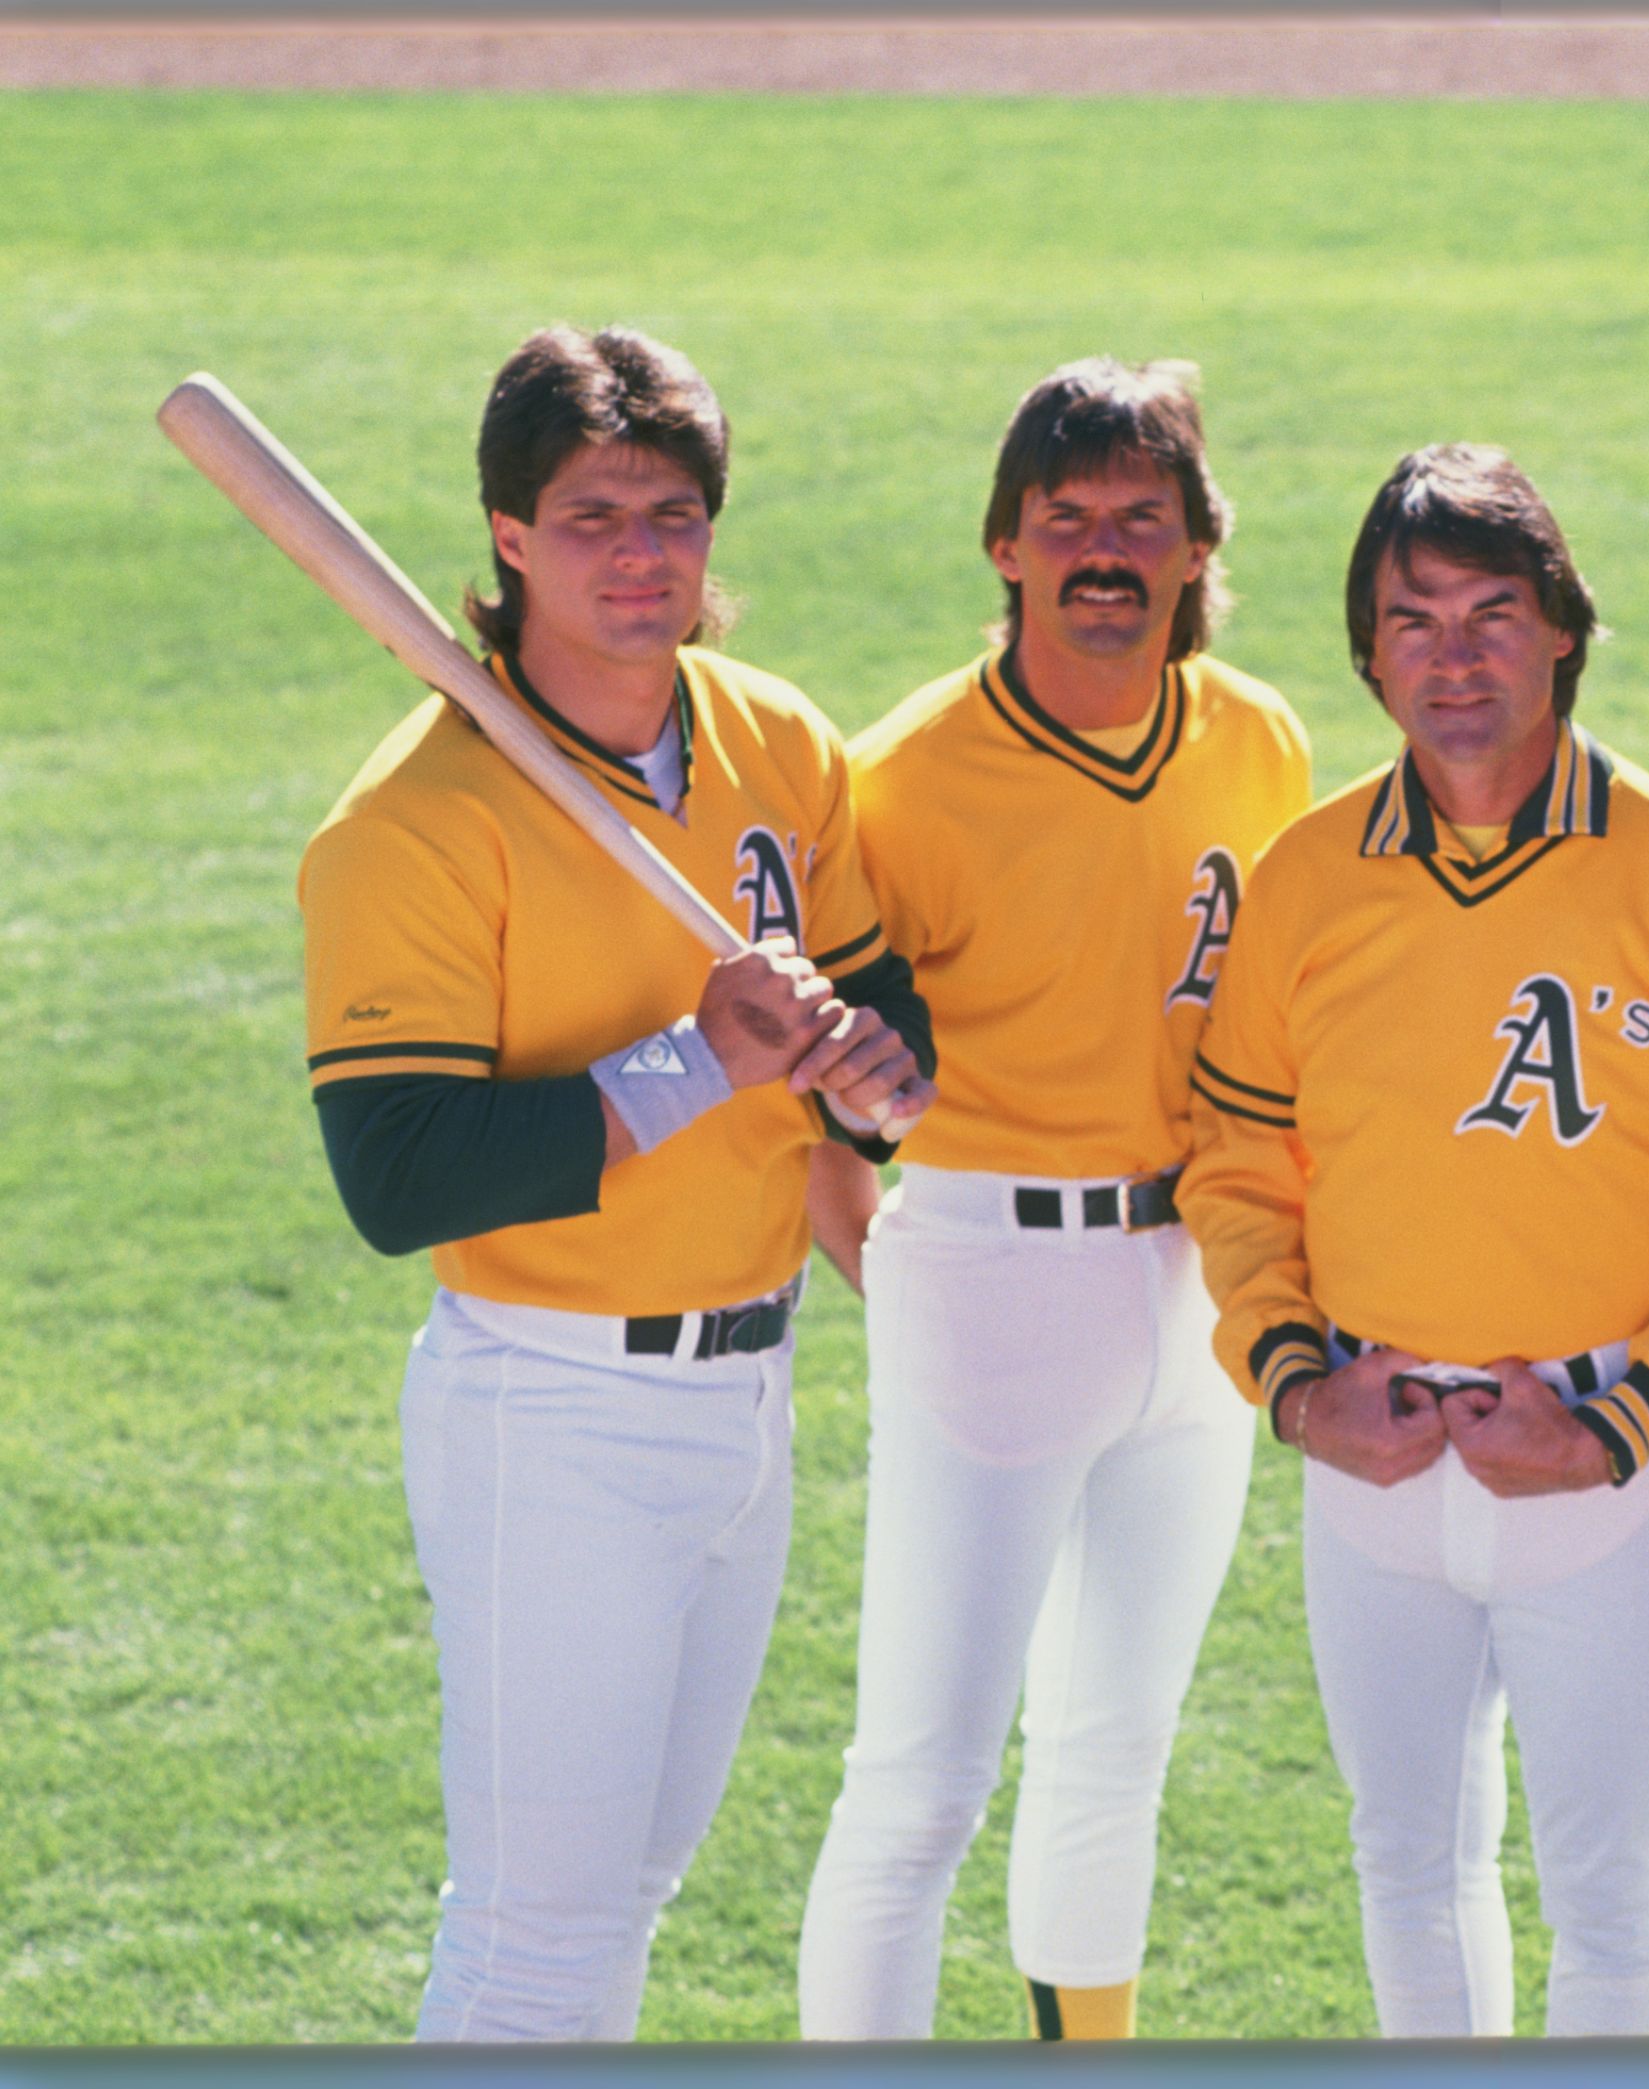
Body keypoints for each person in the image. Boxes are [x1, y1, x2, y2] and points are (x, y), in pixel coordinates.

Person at [296, 324, 935, 2041]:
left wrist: (878, 1080)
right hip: (550, 1412)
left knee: (621, 1900)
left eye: (672, 512)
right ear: (508, 534)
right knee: (531, 1938)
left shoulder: (776, 741)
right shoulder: (415, 819)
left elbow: (875, 996)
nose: (640, 555)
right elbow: (397, 1169)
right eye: (592, 517)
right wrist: (695, 1059)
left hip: (752, 1392)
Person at [1179, 445, 1649, 2037]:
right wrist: (1294, 1386)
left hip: (1600, 1464)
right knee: (1404, 1865)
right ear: (1365, 651)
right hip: (1370, 1454)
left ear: (1565, 627)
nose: (1456, 655)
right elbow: (1233, 1167)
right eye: (1414, 620)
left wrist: (1620, 1423)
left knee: (1612, 1897)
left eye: (1494, 611)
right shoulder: (1304, 880)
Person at [795, 357, 1311, 2043]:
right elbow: (824, 1089)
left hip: (1198, 1285)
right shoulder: (904, 775)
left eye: (1138, 519)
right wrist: (897, 1230)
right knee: (924, 1772)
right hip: (992, 1272)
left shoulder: (1258, 740)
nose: (1103, 549)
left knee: (1116, 1744)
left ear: (1194, 546)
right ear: (1004, 546)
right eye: (1064, 517)